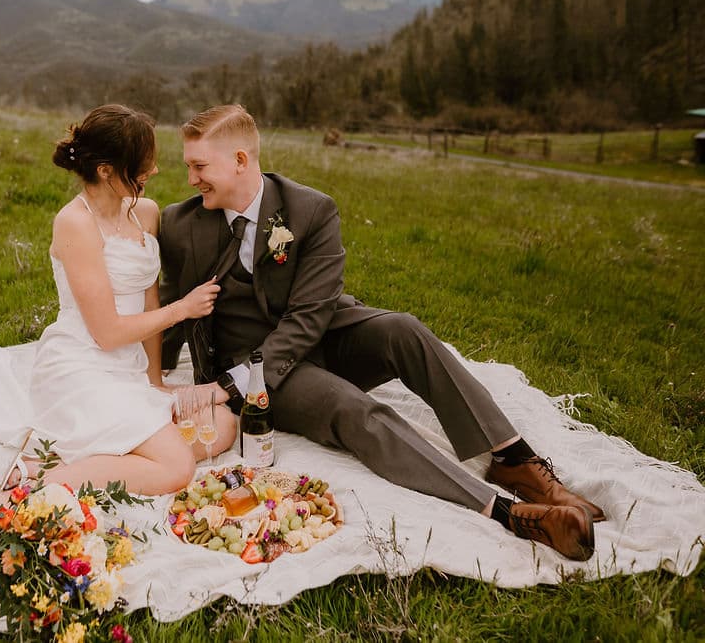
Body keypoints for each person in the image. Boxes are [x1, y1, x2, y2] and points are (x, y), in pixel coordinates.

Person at [158, 104, 605, 561]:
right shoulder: (180, 224)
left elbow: (310, 318)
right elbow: (167, 312)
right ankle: (508, 511)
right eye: (188, 166)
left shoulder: (309, 210)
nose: (191, 178)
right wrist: (163, 381)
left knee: (403, 329)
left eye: (199, 166)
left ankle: (515, 460)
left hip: (319, 335)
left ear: (239, 160)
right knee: (352, 408)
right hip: (252, 370)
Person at [0, 104, 234, 519]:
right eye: (144, 163)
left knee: (223, 425)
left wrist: (154, 381)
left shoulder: (144, 212)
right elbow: (106, 333)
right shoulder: (74, 224)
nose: (155, 170)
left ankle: (84, 461)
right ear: (107, 170)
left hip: (127, 372)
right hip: (81, 368)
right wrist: (183, 309)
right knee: (178, 467)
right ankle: (33, 486)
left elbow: (148, 301)